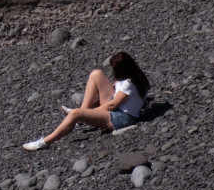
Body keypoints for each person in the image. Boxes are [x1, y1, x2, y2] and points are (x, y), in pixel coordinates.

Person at [23, 53, 151, 149]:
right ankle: (79, 116)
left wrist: (83, 113)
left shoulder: (130, 83)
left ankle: (44, 142)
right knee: (96, 74)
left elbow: (112, 105)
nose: (113, 72)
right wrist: (86, 112)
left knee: (75, 114)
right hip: (118, 109)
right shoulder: (134, 76)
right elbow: (113, 93)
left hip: (121, 118)